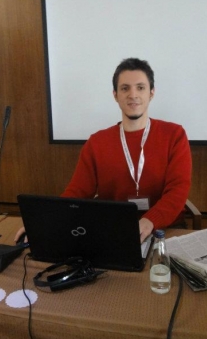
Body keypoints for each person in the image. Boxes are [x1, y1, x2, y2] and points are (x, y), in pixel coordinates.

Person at [15, 57, 192, 243]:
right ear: (115, 94)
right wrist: (44, 221)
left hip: (165, 229)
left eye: (140, 87)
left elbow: (177, 191)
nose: (133, 94)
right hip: (114, 230)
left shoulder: (174, 135)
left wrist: (149, 221)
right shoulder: (97, 142)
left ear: (152, 93)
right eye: (125, 88)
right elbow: (77, 192)